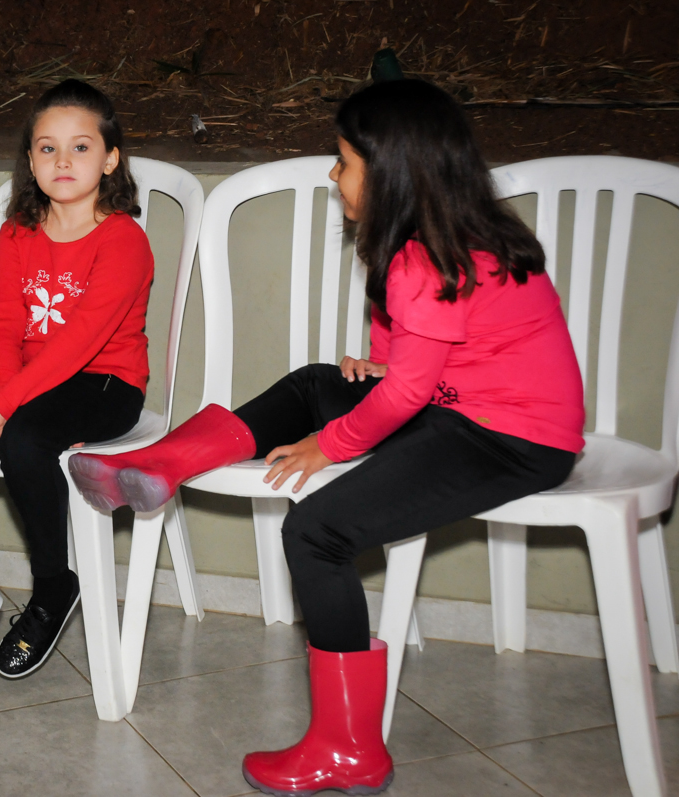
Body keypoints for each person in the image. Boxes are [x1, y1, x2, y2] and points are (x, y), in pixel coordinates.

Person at [70, 79, 584, 796]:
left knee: (316, 531)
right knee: (317, 379)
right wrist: (377, 369)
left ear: (394, 175)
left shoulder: (427, 258)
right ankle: (164, 463)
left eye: (343, 161)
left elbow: (409, 391)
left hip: (509, 437)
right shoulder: (431, 237)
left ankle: (349, 749)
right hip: (461, 405)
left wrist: (330, 445)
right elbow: (420, 360)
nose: (332, 174)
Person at [0, 79, 153, 687]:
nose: (62, 161)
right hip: (23, 375)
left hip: (104, 381)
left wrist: (7, 409)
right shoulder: (18, 231)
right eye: (47, 148)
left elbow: (80, 342)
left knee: (25, 441)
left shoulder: (125, 240)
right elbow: (3, 323)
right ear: (30, 159)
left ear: (111, 158)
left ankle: (52, 586)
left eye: (80, 147)